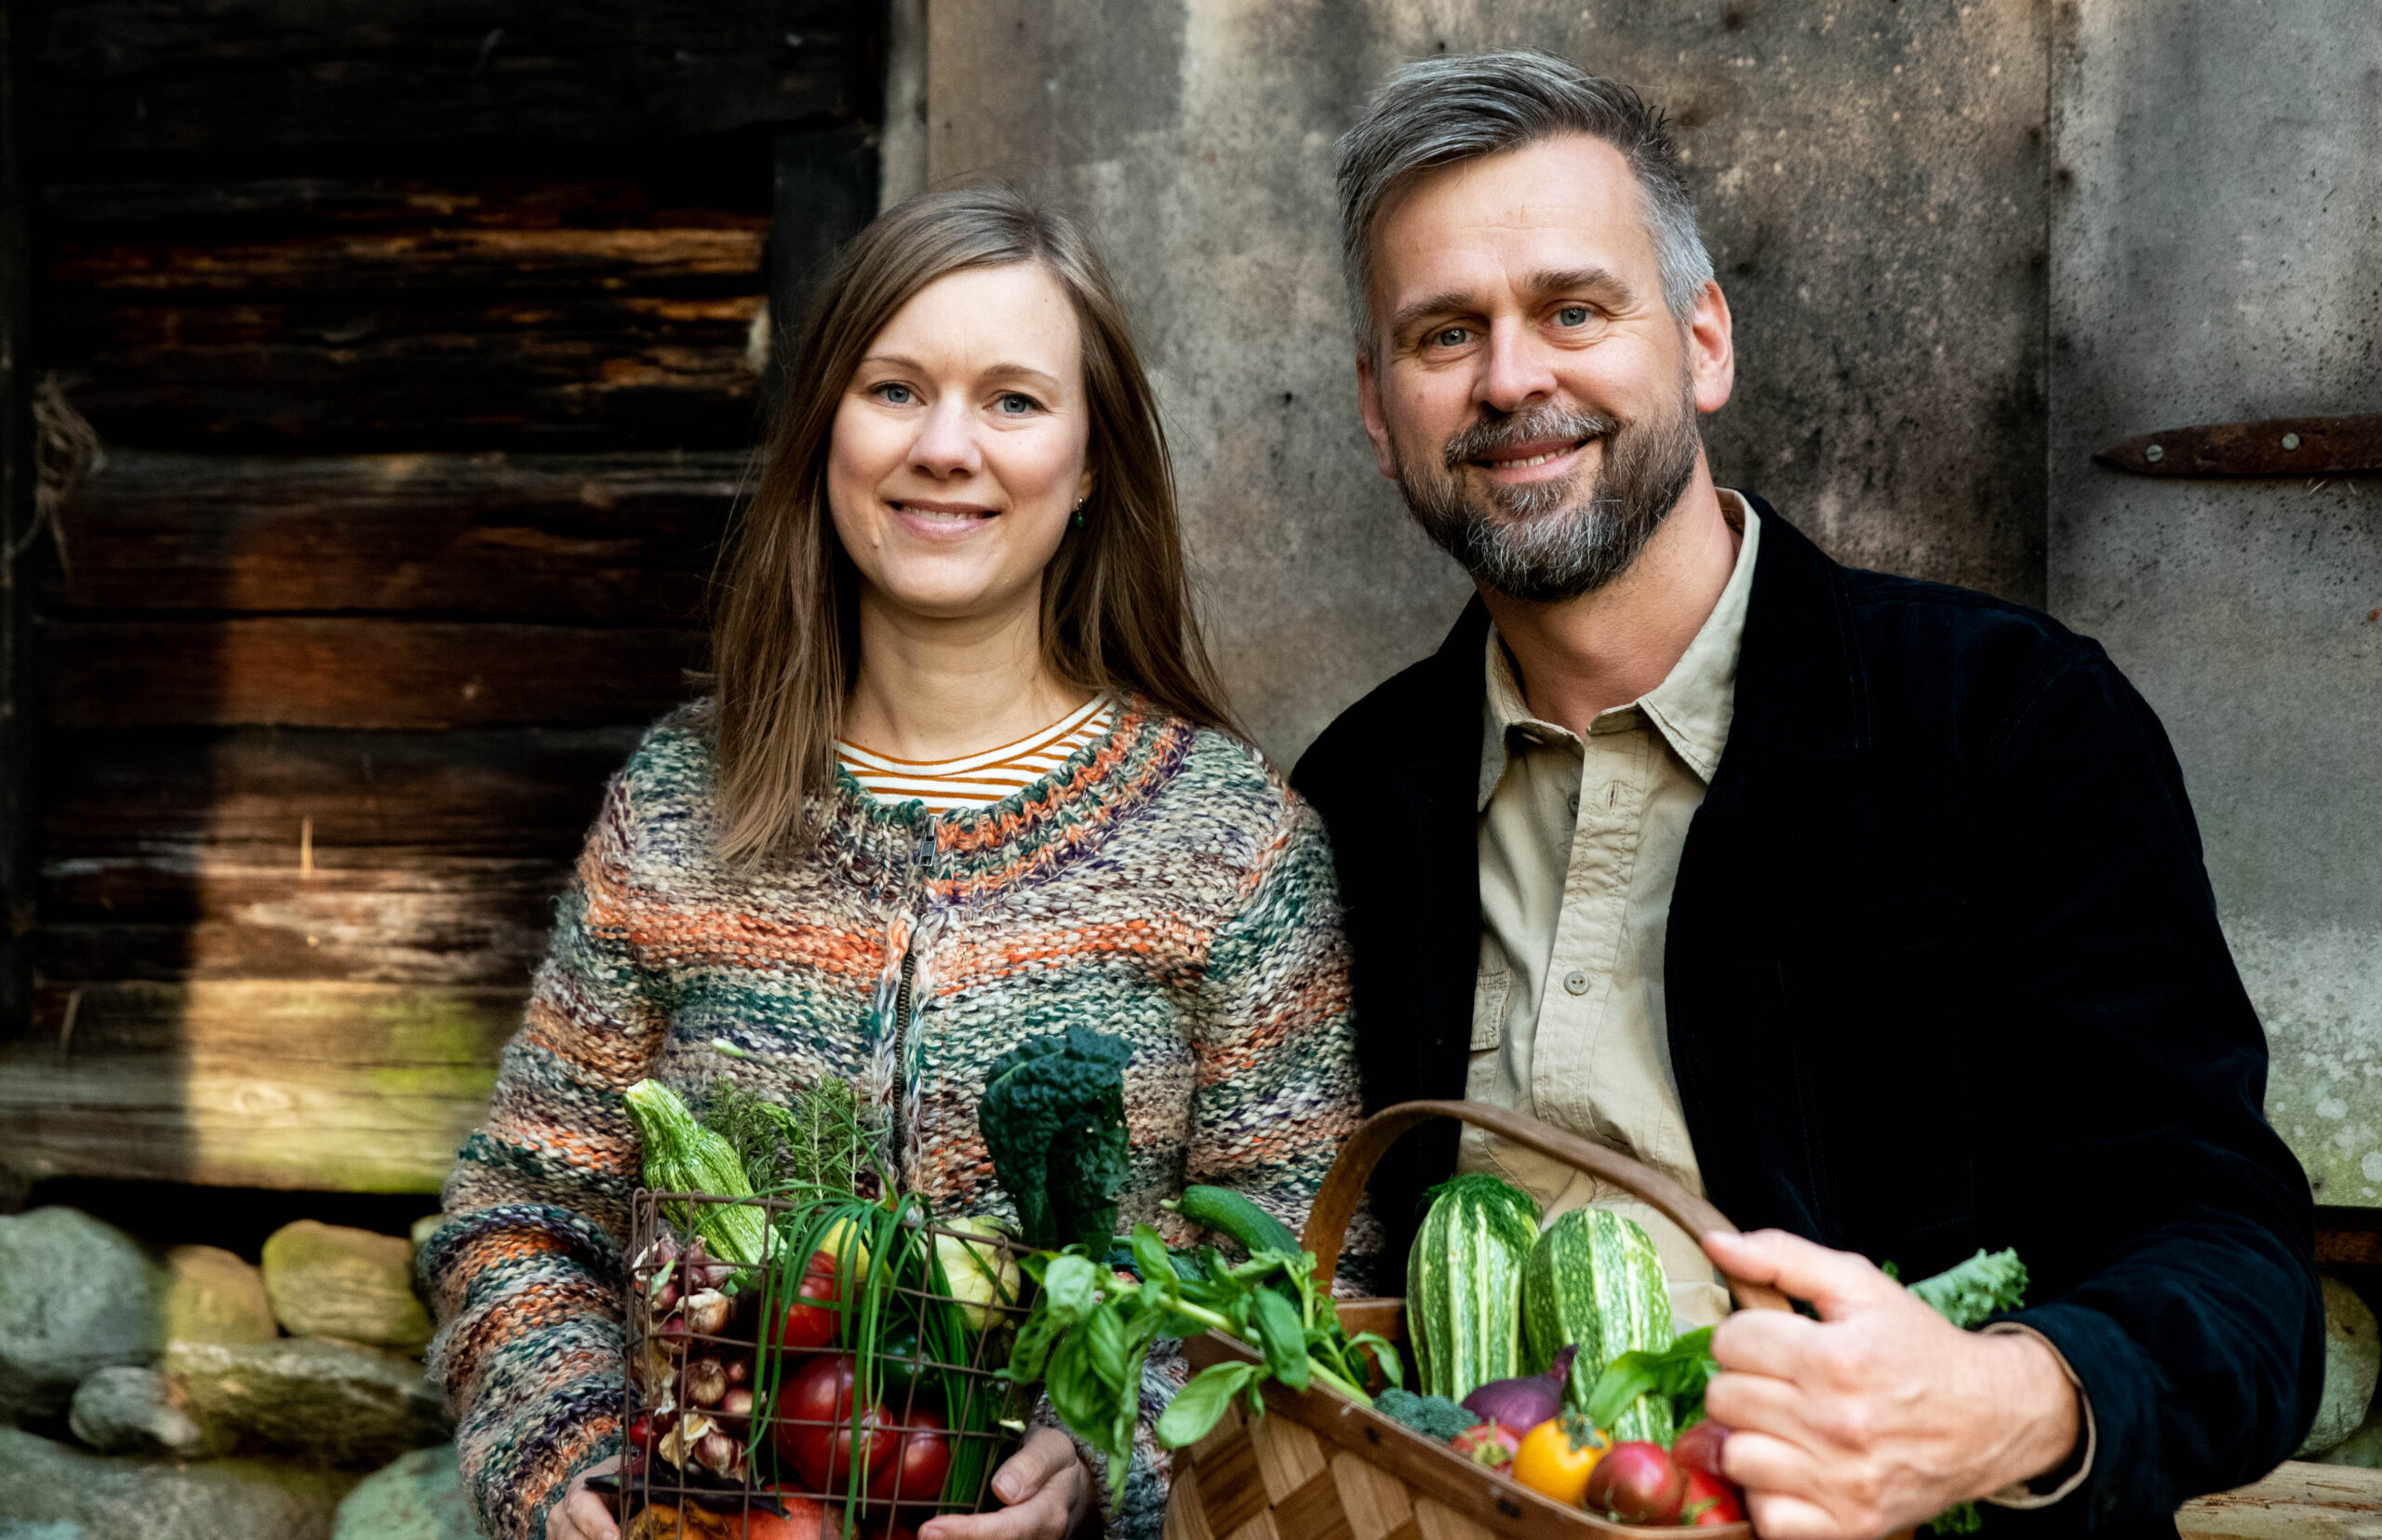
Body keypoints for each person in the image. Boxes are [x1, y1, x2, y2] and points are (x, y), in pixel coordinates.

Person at [1293, 50, 2322, 1540]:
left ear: (1702, 342)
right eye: (1445, 334)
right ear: (1382, 414)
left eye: (1574, 310)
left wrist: (2003, 1403)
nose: (1513, 378)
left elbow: (2235, 1265)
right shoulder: (1357, 801)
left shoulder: (2010, 728)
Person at [421, 188, 1372, 1540]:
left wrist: (1115, 1452)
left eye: (1012, 401)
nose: (944, 448)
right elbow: (522, 1211)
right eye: (896, 389)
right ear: (824, 435)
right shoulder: (681, 804)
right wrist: (563, 1449)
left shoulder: (1229, 842)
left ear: (1094, 462)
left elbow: (1296, 1276)